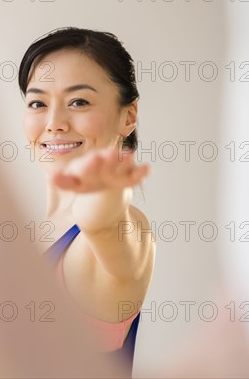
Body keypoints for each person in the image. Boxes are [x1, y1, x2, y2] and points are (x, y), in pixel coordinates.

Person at [19, 27, 155, 377]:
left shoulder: (122, 229)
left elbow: (106, 224)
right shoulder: (31, 234)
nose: (54, 123)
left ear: (128, 116)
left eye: (79, 102)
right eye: (38, 103)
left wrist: (104, 193)